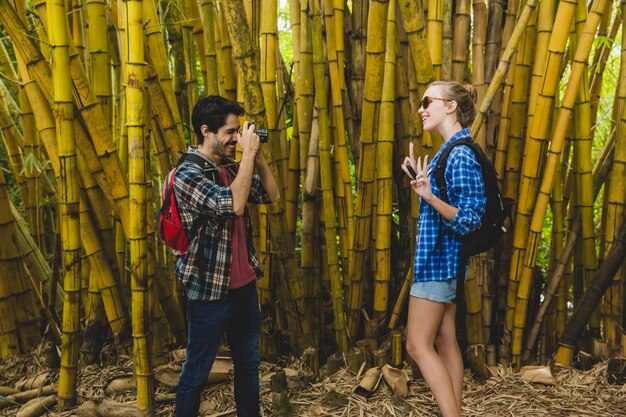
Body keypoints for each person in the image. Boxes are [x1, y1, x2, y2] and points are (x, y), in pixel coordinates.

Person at [174, 95, 280, 417]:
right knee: (196, 372)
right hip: (209, 292)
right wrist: (247, 154)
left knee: (248, 365)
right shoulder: (187, 174)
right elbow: (232, 205)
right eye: (230, 132)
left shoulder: (232, 167)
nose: (237, 138)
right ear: (206, 131)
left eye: (239, 132)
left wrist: (256, 156)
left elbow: (273, 196)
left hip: (244, 287)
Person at [402, 81, 486, 417]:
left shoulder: (460, 153)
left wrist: (430, 196)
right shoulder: (449, 150)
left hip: (439, 263)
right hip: (445, 260)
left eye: (427, 101)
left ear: (451, 106)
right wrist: (424, 186)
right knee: (444, 340)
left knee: (416, 345)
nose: (421, 108)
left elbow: (469, 219)